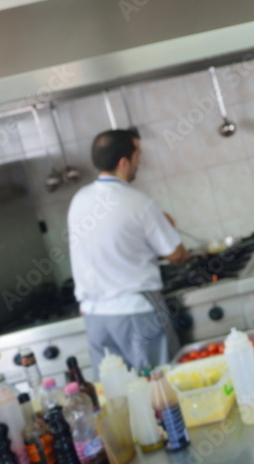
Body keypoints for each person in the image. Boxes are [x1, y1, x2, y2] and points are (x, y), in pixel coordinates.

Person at [68, 129, 191, 376]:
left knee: (119, 398)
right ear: (124, 162)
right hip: (136, 312)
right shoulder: (139, 202)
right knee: (159, 389)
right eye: (138, 156)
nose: (139, 162)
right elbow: (176, 255)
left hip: (95, 318)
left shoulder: (78, 200)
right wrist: (166, 227)